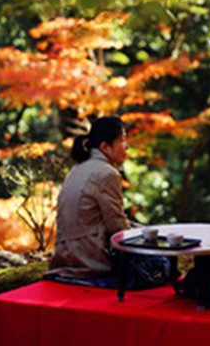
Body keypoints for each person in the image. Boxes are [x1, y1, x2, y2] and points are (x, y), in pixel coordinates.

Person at [44, 116, 170, 289]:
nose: (127, 146)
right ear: (105, 147)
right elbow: (117, 228)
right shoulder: (107, 173)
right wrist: (144, 233)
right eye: (122, 140)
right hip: (90, 260)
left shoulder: (77, 168)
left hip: (66, 257)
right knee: (162, 263)